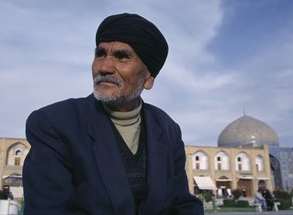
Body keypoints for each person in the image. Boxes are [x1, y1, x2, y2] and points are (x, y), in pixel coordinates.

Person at [22, 13, 204, 215]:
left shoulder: (167, 129)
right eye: (100, 54)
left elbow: (182, 205)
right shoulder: (55, 124)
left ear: (148, 77)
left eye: (122, 56)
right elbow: (48, 209)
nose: (104, 67)